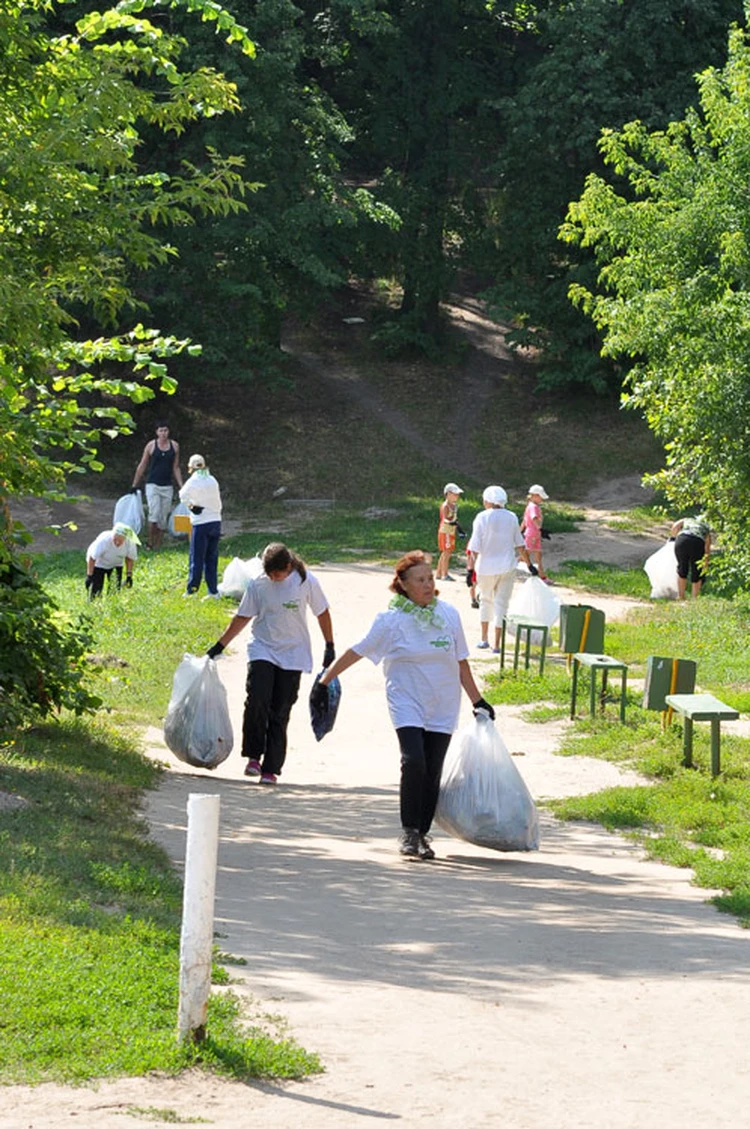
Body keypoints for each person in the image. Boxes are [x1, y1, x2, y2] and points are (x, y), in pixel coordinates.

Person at [313, 550, 494, 860]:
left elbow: (461, 662)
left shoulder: (448, 615)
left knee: (432, 770)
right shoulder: (391, 621)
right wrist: (325, 681)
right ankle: (409, 831)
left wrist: (478, 700)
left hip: (443, 703)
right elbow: (358, 650)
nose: (427, 584)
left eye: (430, 578)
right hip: (406, 701)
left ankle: (423, 834)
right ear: (403, 584)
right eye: (420, 580)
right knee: (414, 761)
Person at [206, 543, 334, 785]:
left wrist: (329, 645)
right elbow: (243, 617)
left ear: (287, 567)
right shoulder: (259, 584)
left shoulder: (305, 581)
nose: (273, 579)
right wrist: (219, 646)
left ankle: (271, 768)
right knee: (257, 699)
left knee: (280, 709)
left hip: (293, 653)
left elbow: (323, 612)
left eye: (277, 574)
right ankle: (253, 756)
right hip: (263, 648)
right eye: (270, 574)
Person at [467, 485, 536, 652]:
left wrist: (470, 570)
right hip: (507, 567)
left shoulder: (481, 517)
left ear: (488, 501)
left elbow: (474, 547)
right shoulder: (511, 517)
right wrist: (529, 565)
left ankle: (484, 639)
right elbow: (520, 544)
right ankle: (497, 645)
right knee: (502, 604)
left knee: (485, 600)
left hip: (485, 567)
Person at [131, 422, 183, 550]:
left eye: (165, 430)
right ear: (157, 432)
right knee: (154, 513)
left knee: (163, 516)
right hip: (152, 484)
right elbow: (142, 465)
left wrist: (182, 486)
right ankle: (150, 542)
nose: (163, 433)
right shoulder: (151, 446)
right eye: (161, 431)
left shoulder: (174, 446)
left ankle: (158, 543)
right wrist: (134, 484)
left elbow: (175, 467)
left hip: (167, 486)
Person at [179, 454, 222, 599]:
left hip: (200, 523)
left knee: (197, 557)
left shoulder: (193, 481)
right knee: (212, 557)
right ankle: (213, 591)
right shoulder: (212, 479)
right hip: (216, 521)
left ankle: (192, 590)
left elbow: (182, 495)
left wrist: (191, 506)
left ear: (191, 467)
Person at [85, 522, 139, 599]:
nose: (117, 543)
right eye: (115, 539)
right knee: (96, 590)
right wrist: (89, 576)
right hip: (99, 564)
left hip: (116, 564)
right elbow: (92, 558)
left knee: (115, 590)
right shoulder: (104, 540)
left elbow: (129, 559)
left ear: (125, 538)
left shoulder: (129, 543)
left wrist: (129, 575)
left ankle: (112, 606)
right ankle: (95, 605)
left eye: (120, 541)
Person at [670, 514, 711, 599]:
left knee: (682, 568)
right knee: (697, 571)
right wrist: (705, 564)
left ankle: (681, 596)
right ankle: (694, 598)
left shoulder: (687, 519)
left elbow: (675, 526)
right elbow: (707, 548)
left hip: (682, 539)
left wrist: (673, 539)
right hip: (697, 542)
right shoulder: (705, 528)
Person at [435, 482, 465, 581]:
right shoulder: (445, 506)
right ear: (447, 494)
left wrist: (459, 529)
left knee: (445, 552)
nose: (457, 496)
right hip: (445, 531)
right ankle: (444, 574)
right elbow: (445, 519)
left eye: (457, 494)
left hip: (451, 531)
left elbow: (454, 519)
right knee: (446, 553)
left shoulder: (454, 506)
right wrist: (451, 522)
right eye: (454, 494)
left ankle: (439, 573)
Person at [521, 484, 550, 582]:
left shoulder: (530, 506)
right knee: (525, 554)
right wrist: (540, 529)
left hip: (535, 533)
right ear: (535, 496)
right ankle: (511, 567)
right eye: (541, 497)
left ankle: (542, 575)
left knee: (538, 554)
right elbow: (534, 518)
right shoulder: (533, 507)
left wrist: (520, 531)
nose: (542, 499)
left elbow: (524, 521)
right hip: (533, 533)